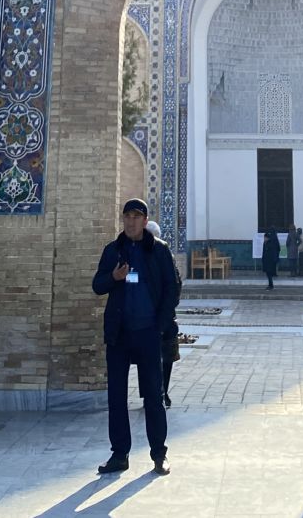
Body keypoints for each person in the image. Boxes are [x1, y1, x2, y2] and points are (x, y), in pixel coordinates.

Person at [93, 198, 175, 476]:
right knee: (116, 396)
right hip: (119, 334)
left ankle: (158, 454)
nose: (130, 222)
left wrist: (160, 326)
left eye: (136, 217)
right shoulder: (113, 250)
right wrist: (113, 277)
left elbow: (171, 289)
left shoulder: (160, 252)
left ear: (145, 220)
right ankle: (119, 454)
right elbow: (97, 285)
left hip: (147, 334)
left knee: (153, 395)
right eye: (127, 217)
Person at [146, 219, 182, 408]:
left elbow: (174, 286)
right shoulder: (137, 255)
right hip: (155, 318)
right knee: (153, 358)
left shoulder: (166, 256)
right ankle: (158, 393)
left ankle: (159, 393)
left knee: (163, 358)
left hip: (163, 319)